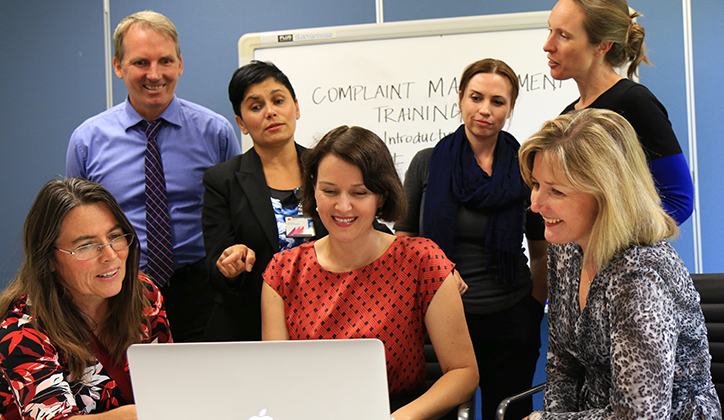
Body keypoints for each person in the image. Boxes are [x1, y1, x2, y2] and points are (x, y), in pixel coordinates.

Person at [262, 125, 479, 420]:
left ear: (381, 194)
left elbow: (463, 373)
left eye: (359, 192)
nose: (343, 206)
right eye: (329, 191)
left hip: (398, 412)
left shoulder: (421, 260)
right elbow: (277, 379)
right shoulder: (283, 271)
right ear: (312, 187)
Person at [519, 108, 721, 420]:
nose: (535, 204)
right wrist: (552, 415)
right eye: (536, 185)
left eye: (556, 191)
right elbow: (563, 364)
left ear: (607, 194)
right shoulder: (565, 247)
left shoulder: (641, 274)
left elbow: (642, 417)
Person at [66, 10, 240, 342]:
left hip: (203, 293)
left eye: (165, 61)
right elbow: (77, 227)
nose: (155, 74)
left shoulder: (215, 132)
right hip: (121, 295)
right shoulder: (87, 141)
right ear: (118, 66)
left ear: (180, 64)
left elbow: (235, 213)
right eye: (141, 63)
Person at [395, 58, 547, 420]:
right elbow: (404, 243)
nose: (485, 110)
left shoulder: (527, 167)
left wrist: (530, 309)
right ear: (461, 98)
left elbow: (543, 251)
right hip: (440, 318)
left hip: (510, 317)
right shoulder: (427, 163)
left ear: (509, 109)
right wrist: (439, 268)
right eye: (476, 97)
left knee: (508, 413)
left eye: (498, 102)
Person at [0, 178, 172, 420]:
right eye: (87, 246)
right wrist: (136, 415)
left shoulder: (144, 294)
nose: (111, 255)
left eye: (115, 236)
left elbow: (167, 386)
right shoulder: (22, 331)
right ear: (48, 259)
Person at [201, 60, 329, 341]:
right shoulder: (223, 180)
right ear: (242, 123)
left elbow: (361, 227)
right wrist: (229, 267)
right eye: (256, 107)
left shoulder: (326, 167)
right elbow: (215, 270)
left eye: (278, 100)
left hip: (326, 319)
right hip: (247, 327)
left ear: (295, 107)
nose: (270, 112)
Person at [543, 0, 693, 224]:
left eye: (564, 35)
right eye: (550, 31)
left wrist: (611, 243)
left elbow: (678, 200)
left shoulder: (634, 103)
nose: (548, 45)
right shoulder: (567, 116)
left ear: (602, 46)